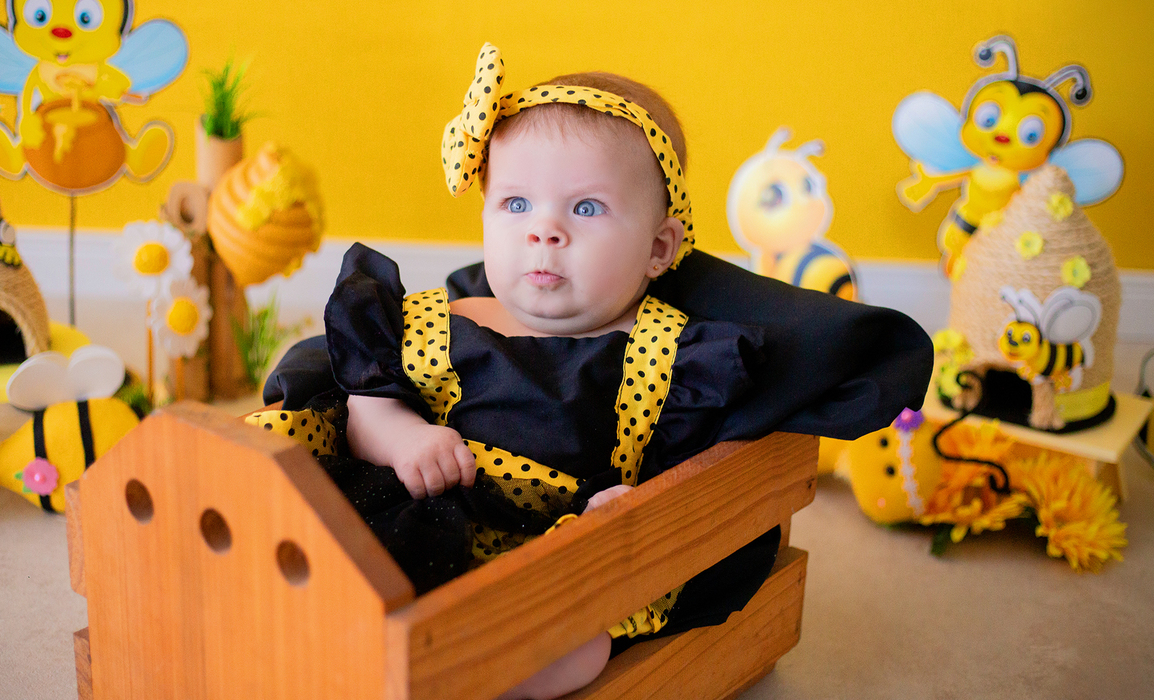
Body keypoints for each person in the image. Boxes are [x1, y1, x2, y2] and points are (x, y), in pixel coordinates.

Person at [264, 43, 933, 699]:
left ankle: (496, 676)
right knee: (346, 544)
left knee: (578, 632)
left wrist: (630, 507)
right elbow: (364, 405)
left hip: (563, 558)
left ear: (658, 247)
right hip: (431, 526)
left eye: (585, 208)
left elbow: (701, 473)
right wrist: (400, 432)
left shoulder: (668, 357)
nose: (544, 231)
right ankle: (346, 647)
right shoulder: (444, 317)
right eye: (516, 204)